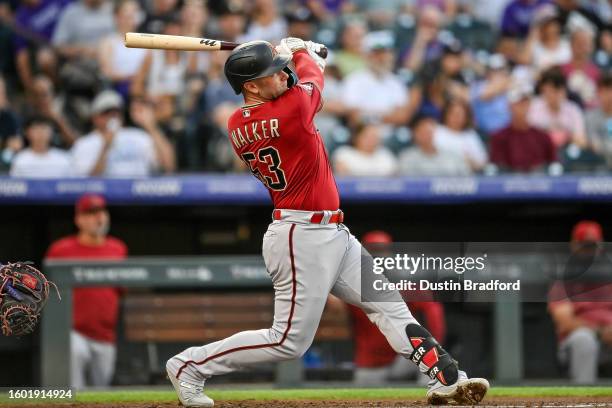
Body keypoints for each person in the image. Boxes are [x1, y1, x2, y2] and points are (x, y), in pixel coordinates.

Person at [165, 38, 489, 406]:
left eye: (281, 70)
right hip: (300, 235)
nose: (281, 76)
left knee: (388, 304)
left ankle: (446, 377)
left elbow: (299, 82)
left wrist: (288, 57)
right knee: (288, 341)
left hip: (332, 231)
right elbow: (310, 83)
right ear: (251, 86)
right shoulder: (283, 112)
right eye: (272, 74)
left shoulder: (243, 118)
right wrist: (304, 53)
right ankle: (189, 365)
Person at [45, 193, 127, 389]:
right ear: (78, 219)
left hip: (106, 334)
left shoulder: (117, 248)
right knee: (74, 390)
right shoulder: (61, 249)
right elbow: (46, 290)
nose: (98, 217)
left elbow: (121, 290)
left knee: (101, 392)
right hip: (73, 332)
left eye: (101, 212)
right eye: (90, 213)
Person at [344, 230, 447, 386]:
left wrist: (433, 349)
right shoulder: (351, 283)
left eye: (381, 251)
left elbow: (434, 316)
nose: (377, 256)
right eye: (372, 251)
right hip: (370, 363)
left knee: (434, 371)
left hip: (403, 358)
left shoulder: (406, 282)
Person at [548, 220, 612, 384]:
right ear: (574, 245)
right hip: (577, 341)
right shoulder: (564, 277)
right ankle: (585, 399)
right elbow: (565, 322)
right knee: (584, 339)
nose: (590, 251)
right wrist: (600, 331)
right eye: (586, 245)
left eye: (593, 246)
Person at [71, 90, 175, 177]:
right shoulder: (84, 144)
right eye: (106, 112)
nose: (113, 116)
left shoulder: (138, 136)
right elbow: (87, 185)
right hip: (106, 199)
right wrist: (105, 147)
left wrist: (151, 127)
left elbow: (168, 166)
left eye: (116, 111)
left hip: (140, 198)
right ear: (95, 117)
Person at [490, 84, 557, 173]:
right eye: (518, 103)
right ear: (509, 106)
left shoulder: (542, 136)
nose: (522, 107)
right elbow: (497, 169)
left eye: (525, 102)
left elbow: (553, 165)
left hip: (539, 183)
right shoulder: (499, 137)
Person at [527, 67, 587, 148]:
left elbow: (581, 140)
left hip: (567, 152)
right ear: (542, 89)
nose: (552, 95)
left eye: (556, 91)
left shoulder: (573, 110)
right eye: (548, 91)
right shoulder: (533, 107)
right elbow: (528, 137)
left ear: (564, 90)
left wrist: (567, 137)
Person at [399, 113, 470, 176]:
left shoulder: (452, 156)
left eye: (430, 131)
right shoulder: (407, 158)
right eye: (423, 132)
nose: (428, 135)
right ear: (414, 134)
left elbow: (468, 180)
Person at [433, 98, 488, 172]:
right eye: (453, 114)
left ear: (466, 117)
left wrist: (470, 162)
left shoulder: (471, 135)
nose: (456, 118)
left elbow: (482, 162)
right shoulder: (437, 131)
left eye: (460, 114)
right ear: (446, 114)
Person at [332, 123, 398, 176]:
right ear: (357, 137)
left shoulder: (386, 155)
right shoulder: (344, 153)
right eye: (368, 136)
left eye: (375, 137)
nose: (372, 140)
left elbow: (393, 177)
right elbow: (343, 176)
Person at [586, 73, 612, 167]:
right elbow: (595, 145)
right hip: (600, 166)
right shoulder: (590, 116)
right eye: (605, 91)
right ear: (598, 93)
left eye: (610, 91)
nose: (609, 96)